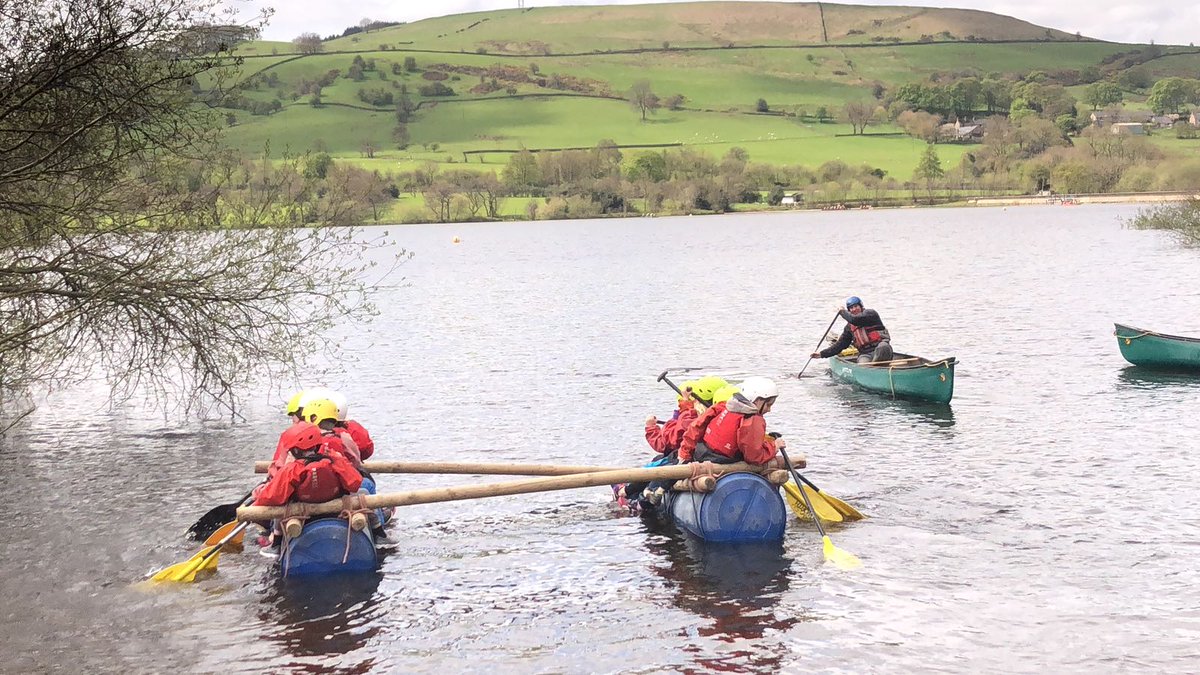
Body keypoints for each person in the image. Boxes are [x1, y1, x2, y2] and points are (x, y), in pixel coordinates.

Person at [678, 376, 784, 468]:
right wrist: (774, 446)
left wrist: (684, 454)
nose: (769, 410)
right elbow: (754, 456)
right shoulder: (752, 420)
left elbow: (695, 427)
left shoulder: (723, 406)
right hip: (723, 461)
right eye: (768, 405)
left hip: (701, 453)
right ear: (756, 400)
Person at [811, 296, 894, 364]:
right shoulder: (849, 327)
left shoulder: (871, 314)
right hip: (865, 354)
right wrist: (821, 354)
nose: (854, 309)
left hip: (880, 349)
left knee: (883, 347)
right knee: (862, 365)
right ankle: (872, 368)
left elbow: (854, 320)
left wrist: (842, 311)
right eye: (851, 308)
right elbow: (840, 345)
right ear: (849, 310)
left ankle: (878, 365)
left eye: (856, 306)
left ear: (861, 307)